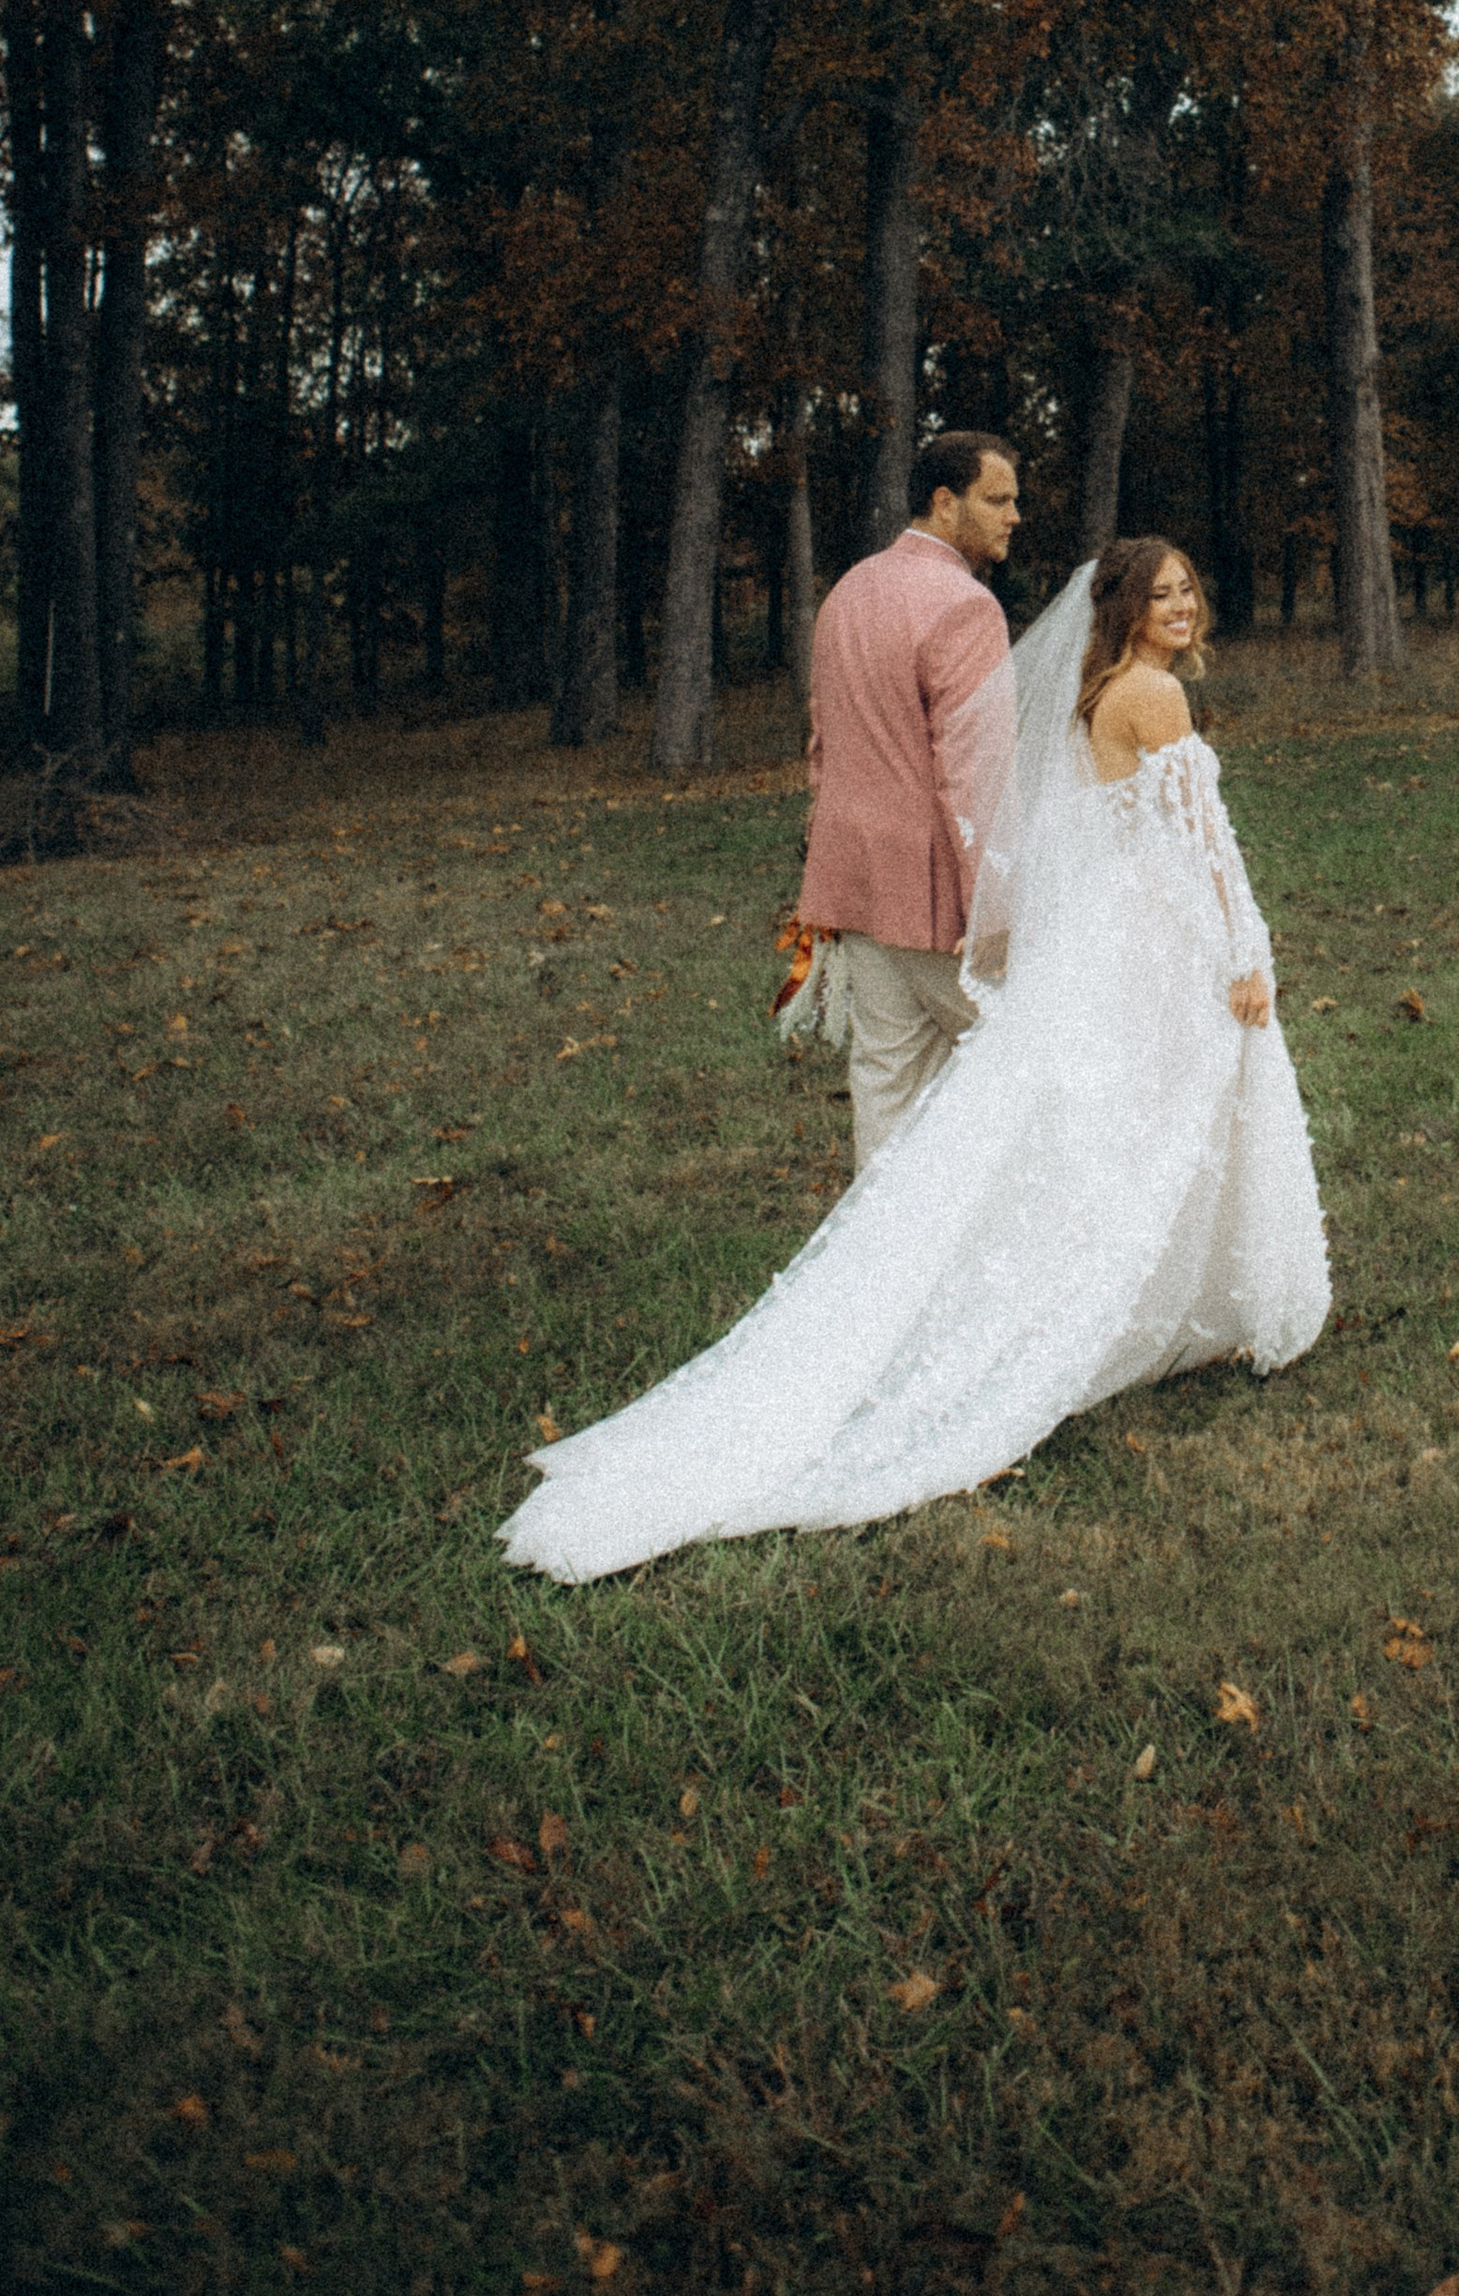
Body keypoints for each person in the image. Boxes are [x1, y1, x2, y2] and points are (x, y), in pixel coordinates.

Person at [500, 535, 1328, 1579]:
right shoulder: (1154, 696)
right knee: (1164, 1113)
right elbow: (1207, 838)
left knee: (1131, 1113)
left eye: (1188, 590)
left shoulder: (1096, 693)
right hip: (1156, 932)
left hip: (1114, 928)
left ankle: (1165, 1298)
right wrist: (1246, 947)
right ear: (1123, 608)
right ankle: (1149, 1301)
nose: (1181, 606)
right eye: (1161, 594)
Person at [778, 430, 1020, 1172]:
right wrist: (994, 909)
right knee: (1026, 1060)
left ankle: (881, 1244)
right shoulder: (967, 607)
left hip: (855, 881)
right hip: (937, 897)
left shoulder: (847, 592)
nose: (1015, 516)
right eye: (997, 500)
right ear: (945, 502)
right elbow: (976, 774)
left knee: (887, 1084)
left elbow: (824, 745)